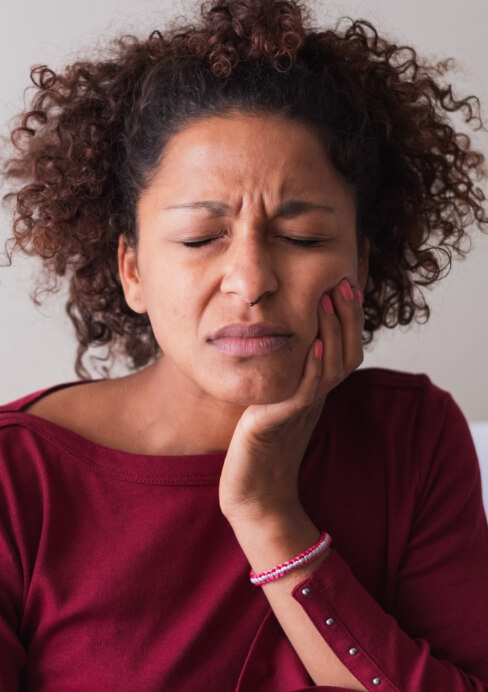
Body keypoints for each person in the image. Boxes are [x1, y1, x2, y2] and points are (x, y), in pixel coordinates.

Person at [1, 0, 487, 689]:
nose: (252, 282)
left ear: (363, 264)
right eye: (201, 239)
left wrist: (268, 513)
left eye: (303, 238)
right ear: (132, 269)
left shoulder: (412, 438)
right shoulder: (18, 480)